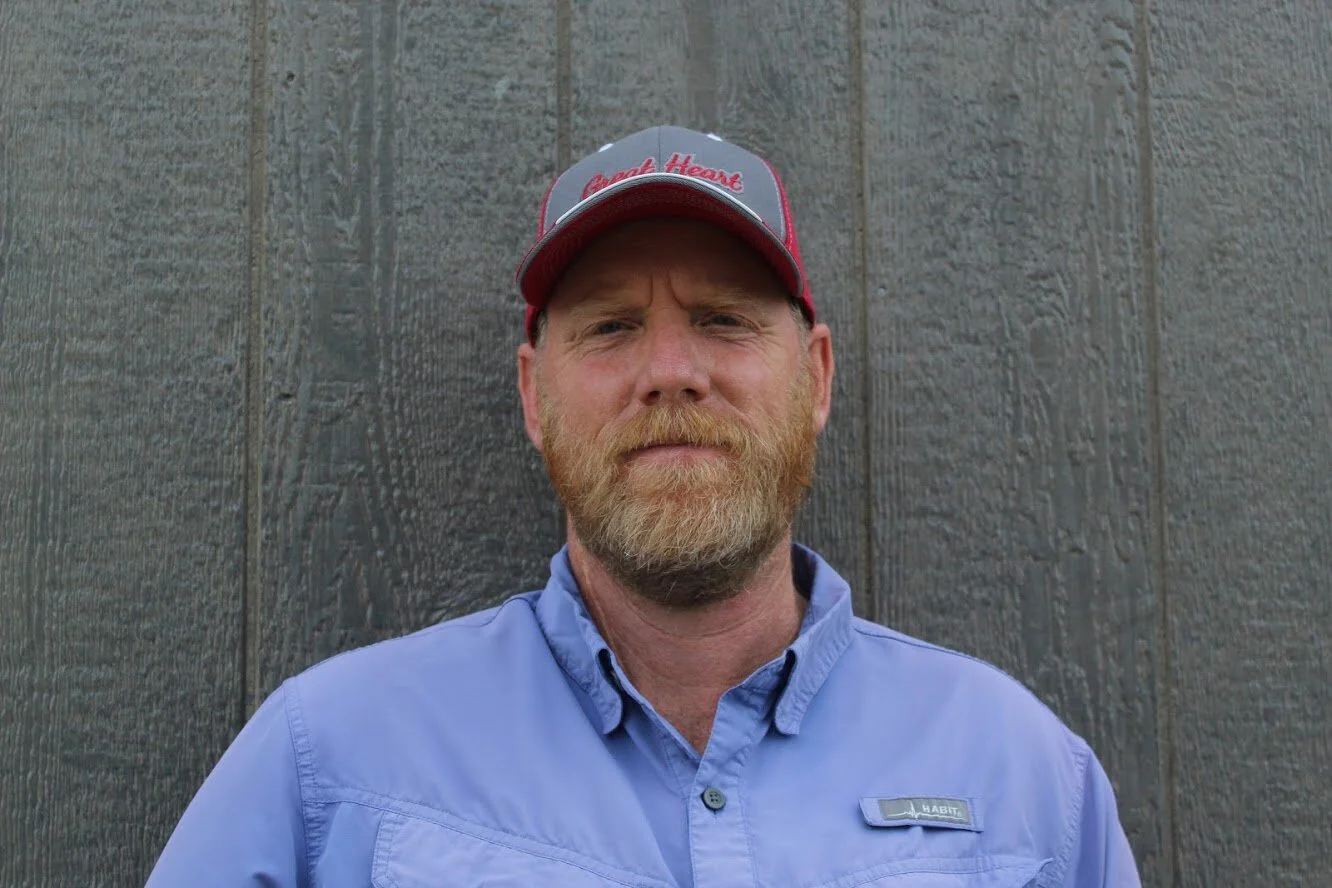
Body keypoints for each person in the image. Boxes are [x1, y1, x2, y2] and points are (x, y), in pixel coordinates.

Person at [146, 125, 1140, 887]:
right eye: (613, 326)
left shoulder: (1022, 779)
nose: (671, 370)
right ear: (533, 395)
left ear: (818, 377)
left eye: (723, 319)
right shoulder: (332, 760)